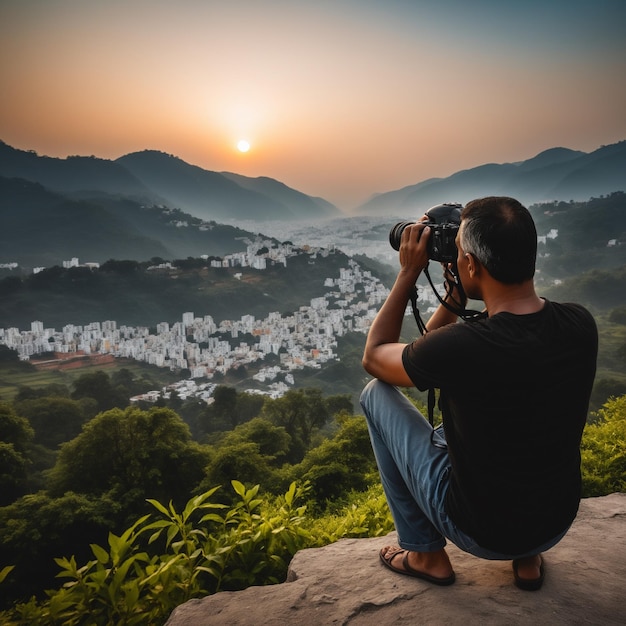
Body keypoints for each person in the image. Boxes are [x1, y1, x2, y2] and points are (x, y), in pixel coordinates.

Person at [360, 196, 598, 591]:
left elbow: (374, 357)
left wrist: (408, 273)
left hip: (481, 533)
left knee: (374, 393)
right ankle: (528, 559)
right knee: (530, 416)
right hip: (553, 525)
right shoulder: (579, 324)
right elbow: (440, 353)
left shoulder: (463, 347)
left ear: (470, 263)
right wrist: (456, 295)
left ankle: (426, 554)